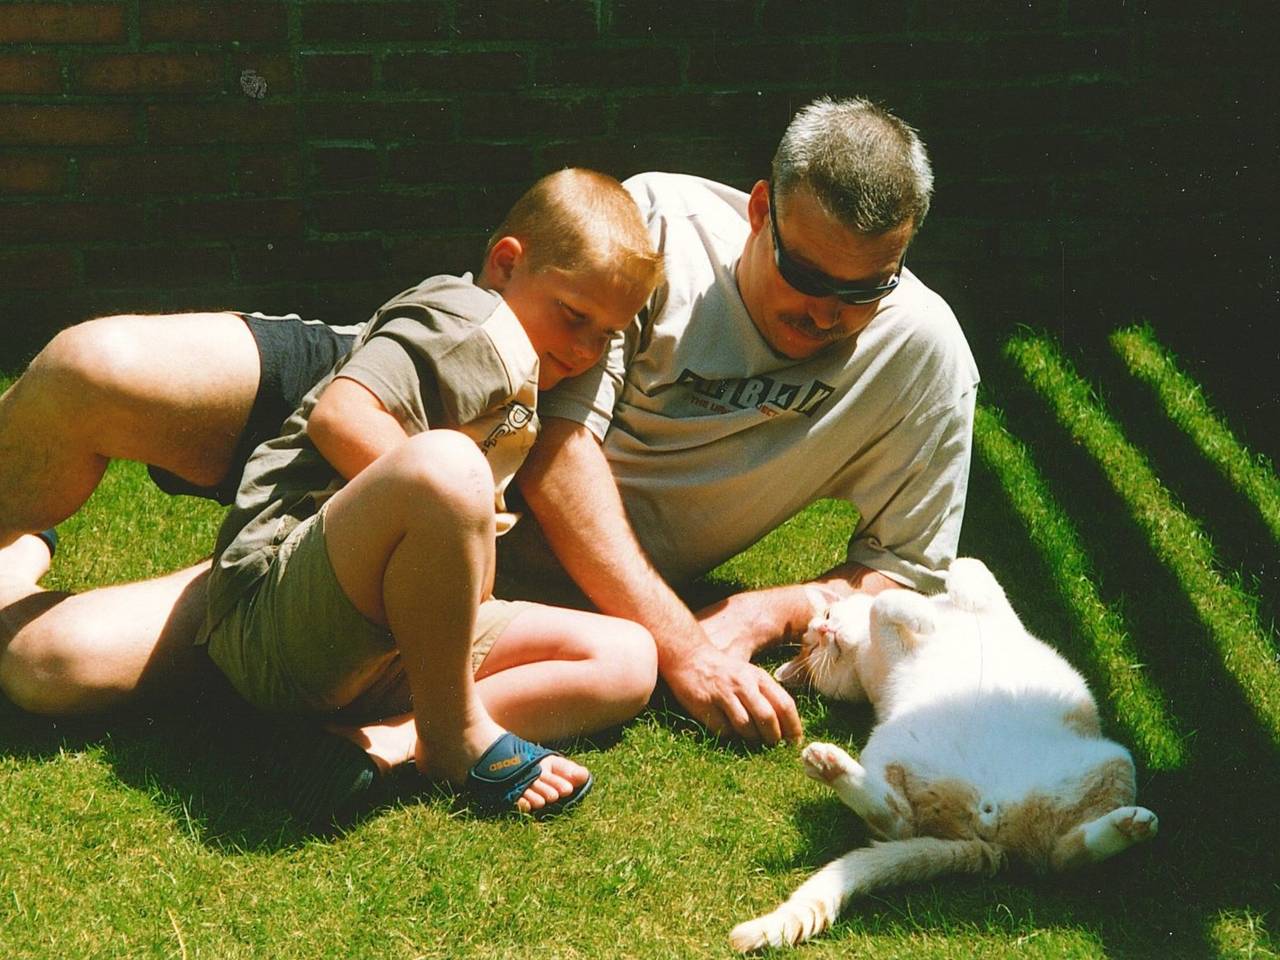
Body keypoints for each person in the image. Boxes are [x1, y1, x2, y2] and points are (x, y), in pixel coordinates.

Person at [0, 95, 977, 755]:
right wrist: (678, 641)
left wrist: (764, 609)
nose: (824, 313)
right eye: (804, 276)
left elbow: (900, 569)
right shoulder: (659, 232)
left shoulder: (924, 357)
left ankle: (23, 568)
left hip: (446, 539)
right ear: (761, 210)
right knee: (93, 368)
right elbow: (553, 445)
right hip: (409, 397)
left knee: (53, 667)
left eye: (861, 292)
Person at [2, 168, 663, 820]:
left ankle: (387, 741)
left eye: (606, 335)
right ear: (505, 263)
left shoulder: (521, 356)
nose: (582, 351)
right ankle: (457, 735)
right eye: (574, 317)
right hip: (278, 607)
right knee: (446, 467)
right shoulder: (461, 320)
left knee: (630, 657)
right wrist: (464, 508)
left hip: (382, 636)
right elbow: (341, 416)